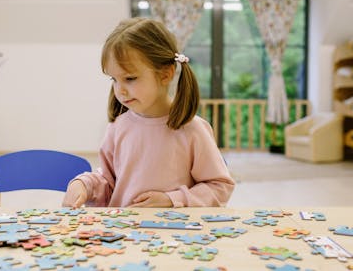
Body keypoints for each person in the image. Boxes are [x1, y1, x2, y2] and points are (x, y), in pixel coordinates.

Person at [62, 17, 235, 208]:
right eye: (114, 79)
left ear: (165, 74)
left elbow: (220, 187)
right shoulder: (117, 127)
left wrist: (172, 200)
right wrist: (84, 185)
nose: (120, 90)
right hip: (124, 234)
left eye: (130, 78)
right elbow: (108, 181)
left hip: (175, 233)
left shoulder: (193, 129)